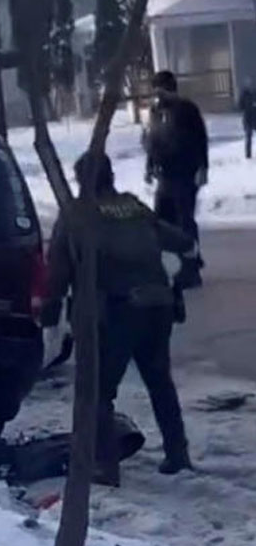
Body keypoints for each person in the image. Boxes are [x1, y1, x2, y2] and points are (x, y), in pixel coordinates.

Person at [42, 152, 196, 487]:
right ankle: (178, 453)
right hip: (157, 305)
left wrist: (50, 308)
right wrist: (186, 273)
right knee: (160, 382)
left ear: (82, 180)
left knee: (98, 390)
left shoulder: (77, 216)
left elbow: (57, 271)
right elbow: (183, 242)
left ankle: (104, 465)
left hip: (116, 311)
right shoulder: (133, 207)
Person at [143, 70, 208, 288]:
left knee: (184, 222)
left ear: (171, 89)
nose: (157, 94)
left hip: (185, 173)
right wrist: (149, 166)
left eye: (161, 89)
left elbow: (201, 139)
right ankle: (171, 265)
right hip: (164, 173)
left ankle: (190, 268)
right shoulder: (154, 111)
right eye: (155, 90)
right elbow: (152, 140)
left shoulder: (187, 110)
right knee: (162, 221)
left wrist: (203, 168)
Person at [238, 77, 256, 159]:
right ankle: (248, 154)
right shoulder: (244, 94)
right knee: (248, 136)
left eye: (250, 83)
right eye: (247, 83)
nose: (249, 85)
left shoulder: (255, 93)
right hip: (247, 118)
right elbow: (240, 106)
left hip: (255, 117)